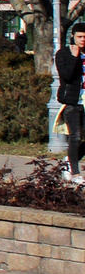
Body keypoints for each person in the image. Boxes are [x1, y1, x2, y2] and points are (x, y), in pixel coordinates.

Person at [54, 25, 85, 182]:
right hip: (72, 102)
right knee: (76, 137)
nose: (83, 40)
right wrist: (74, 57)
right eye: (80, 37)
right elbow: (66, 75)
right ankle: (75, 174)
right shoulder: (64, 54)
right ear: (73, 36)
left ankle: (68, 162)